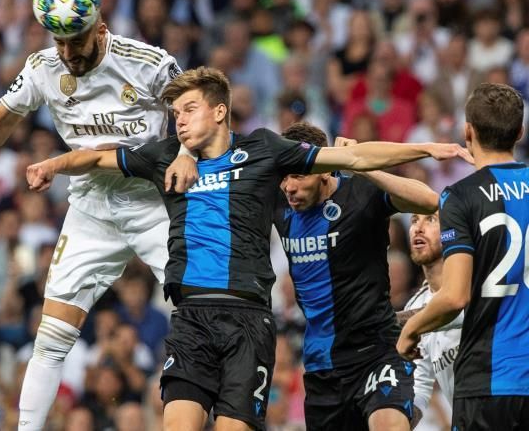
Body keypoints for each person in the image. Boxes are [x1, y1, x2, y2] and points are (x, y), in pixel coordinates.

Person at [25, 66, 470, 431]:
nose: (179, 120)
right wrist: (52, 164)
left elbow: (358, 160)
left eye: (189, 109)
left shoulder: (268, 154)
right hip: (198, 319)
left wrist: (426, 149)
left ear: (220, 111)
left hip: (264, 326)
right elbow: (98, 157)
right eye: (176, 113)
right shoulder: (172, 159)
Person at [0, 0, 197, 429]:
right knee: (51, 336)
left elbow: (195, 107)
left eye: (76, 41)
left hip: (153, 203)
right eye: (59, 42)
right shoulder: (41, 68)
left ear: (100, 28)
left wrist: (186, 154)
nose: (67, 53)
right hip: (91, 207)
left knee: (204, 308)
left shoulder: (147, 62)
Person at [274, 123, 438, 431]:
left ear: (325, 169)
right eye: (284, 176)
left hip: (375, 353)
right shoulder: (279, 203)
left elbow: (429, 200)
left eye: (299, 175)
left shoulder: (360, 194)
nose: (289, 187)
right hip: (322, 366)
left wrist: (362, 166)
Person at [398, 83, 529, 429]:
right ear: (520, 131)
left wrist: (411, 329)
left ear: (467, 132)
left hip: (488, 380)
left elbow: (455, 296)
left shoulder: (460, 197)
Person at [400, 210, 462, 426]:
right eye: (414, 220)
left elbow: (457, 307)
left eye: (431, 220)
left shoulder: (476, 283)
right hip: (466, 418)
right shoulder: (414, 304)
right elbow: (420, 385)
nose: (418, 228)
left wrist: (400, 322)